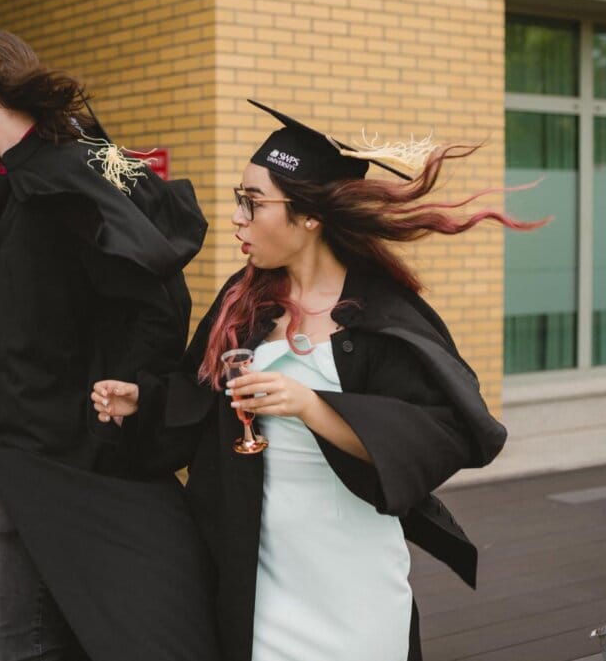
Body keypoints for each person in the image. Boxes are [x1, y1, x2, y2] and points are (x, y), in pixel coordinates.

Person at [91, 100, 544, 661]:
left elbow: (439, 433)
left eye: (253, 203)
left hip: (350, 586)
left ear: (309, 217)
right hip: (251, 577)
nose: (236, 217)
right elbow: (198, 395)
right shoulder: (243, 299)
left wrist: (309, 405)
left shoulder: (384, 315)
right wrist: (145, 401)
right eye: (240, 199)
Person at [0, 27, 218, 661]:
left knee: (28, 646)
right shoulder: (24, 174)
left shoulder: (61, 178)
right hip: (23, 459)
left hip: (50, 464)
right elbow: (24, 312)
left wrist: (117, 406)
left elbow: (157, 301)